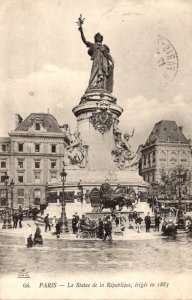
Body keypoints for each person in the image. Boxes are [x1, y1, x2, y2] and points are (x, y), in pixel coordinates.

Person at [78, 20, 114, 93]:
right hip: (96, 63)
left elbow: (108, 55)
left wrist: (112, 62)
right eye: (97, 37)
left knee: (103, 75)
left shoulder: (104, 46)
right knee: (95, 73)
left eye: (100, 37)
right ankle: (93, 86)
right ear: (95, 38)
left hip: (104, 64)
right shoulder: (93, 45)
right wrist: (81, 31)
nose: (99, 38)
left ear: (102, 38)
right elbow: (85, 41)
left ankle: (102, 87)